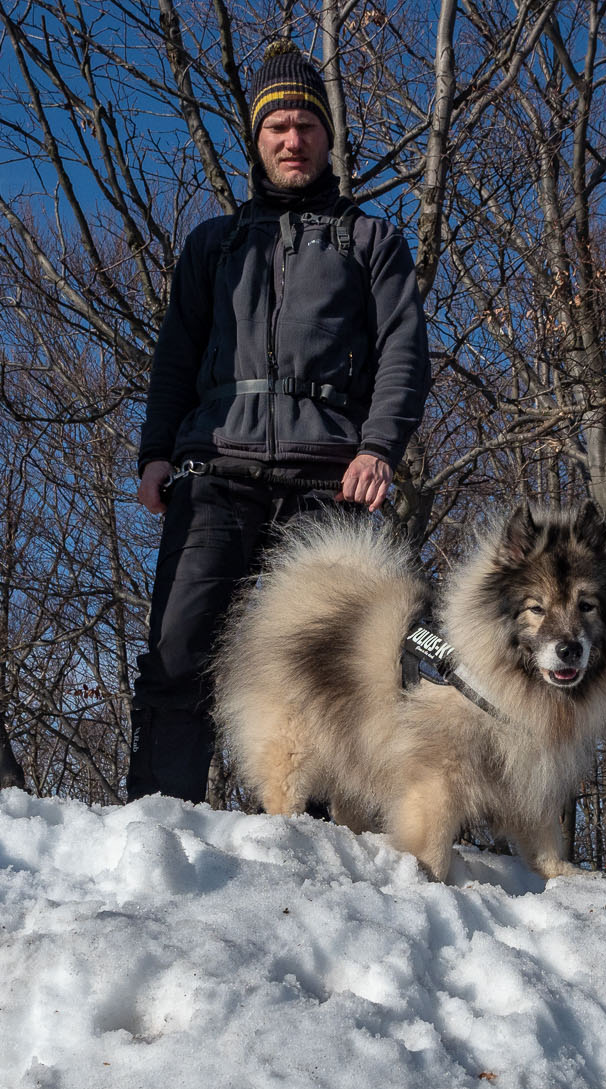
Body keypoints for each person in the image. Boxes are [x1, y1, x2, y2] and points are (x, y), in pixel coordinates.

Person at [129, 38, 431, 802]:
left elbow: (404, 352)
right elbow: (175, 358)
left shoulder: (371, 241)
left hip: (330, 480)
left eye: (306, 125)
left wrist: (378, 448)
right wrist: (155, 454)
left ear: (328, 137)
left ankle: (334, 846)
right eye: (277, 128)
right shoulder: (213, 244)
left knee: (333, 666)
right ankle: (158, 823)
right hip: (215, 470)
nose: (292, 140)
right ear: (257, 142)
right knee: (177, 651)